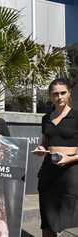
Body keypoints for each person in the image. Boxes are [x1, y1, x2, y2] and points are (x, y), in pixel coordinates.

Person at [33, 78, 78, 237]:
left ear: (69, 93)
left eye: (63, 93)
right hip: (48, 172)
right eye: (55, 94)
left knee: (71, 217)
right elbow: (45, 142)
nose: (59, 97)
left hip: (71, 173)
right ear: (50, 96)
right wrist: (41, 148)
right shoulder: (46, 118)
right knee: (47, 219)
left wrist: (70, 159)